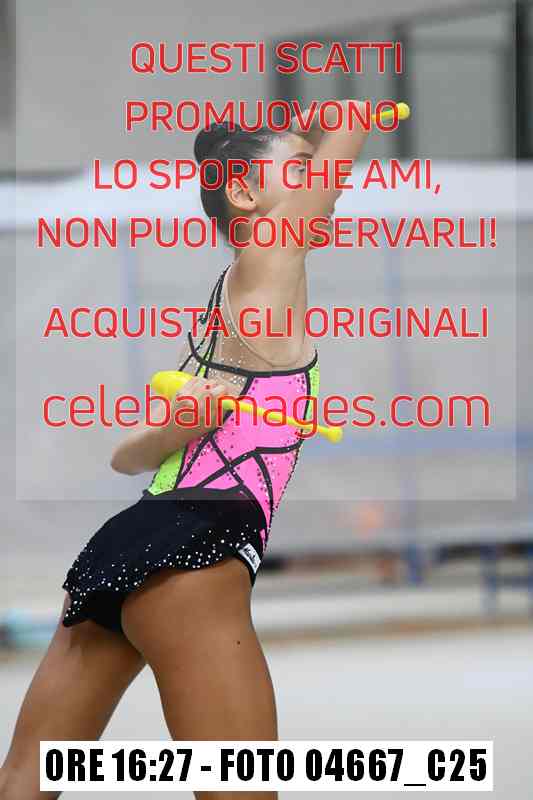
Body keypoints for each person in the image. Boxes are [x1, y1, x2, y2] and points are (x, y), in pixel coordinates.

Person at [0, 100, 369, 800]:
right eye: (299, 168)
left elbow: (127, 458)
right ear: (244, 193)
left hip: (120, 549)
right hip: (198, 556)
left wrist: (180, 424)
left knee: (24, 779)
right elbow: (337, 156)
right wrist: (348, 110)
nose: (319, 183)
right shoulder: (265, 267)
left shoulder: (225, 313)